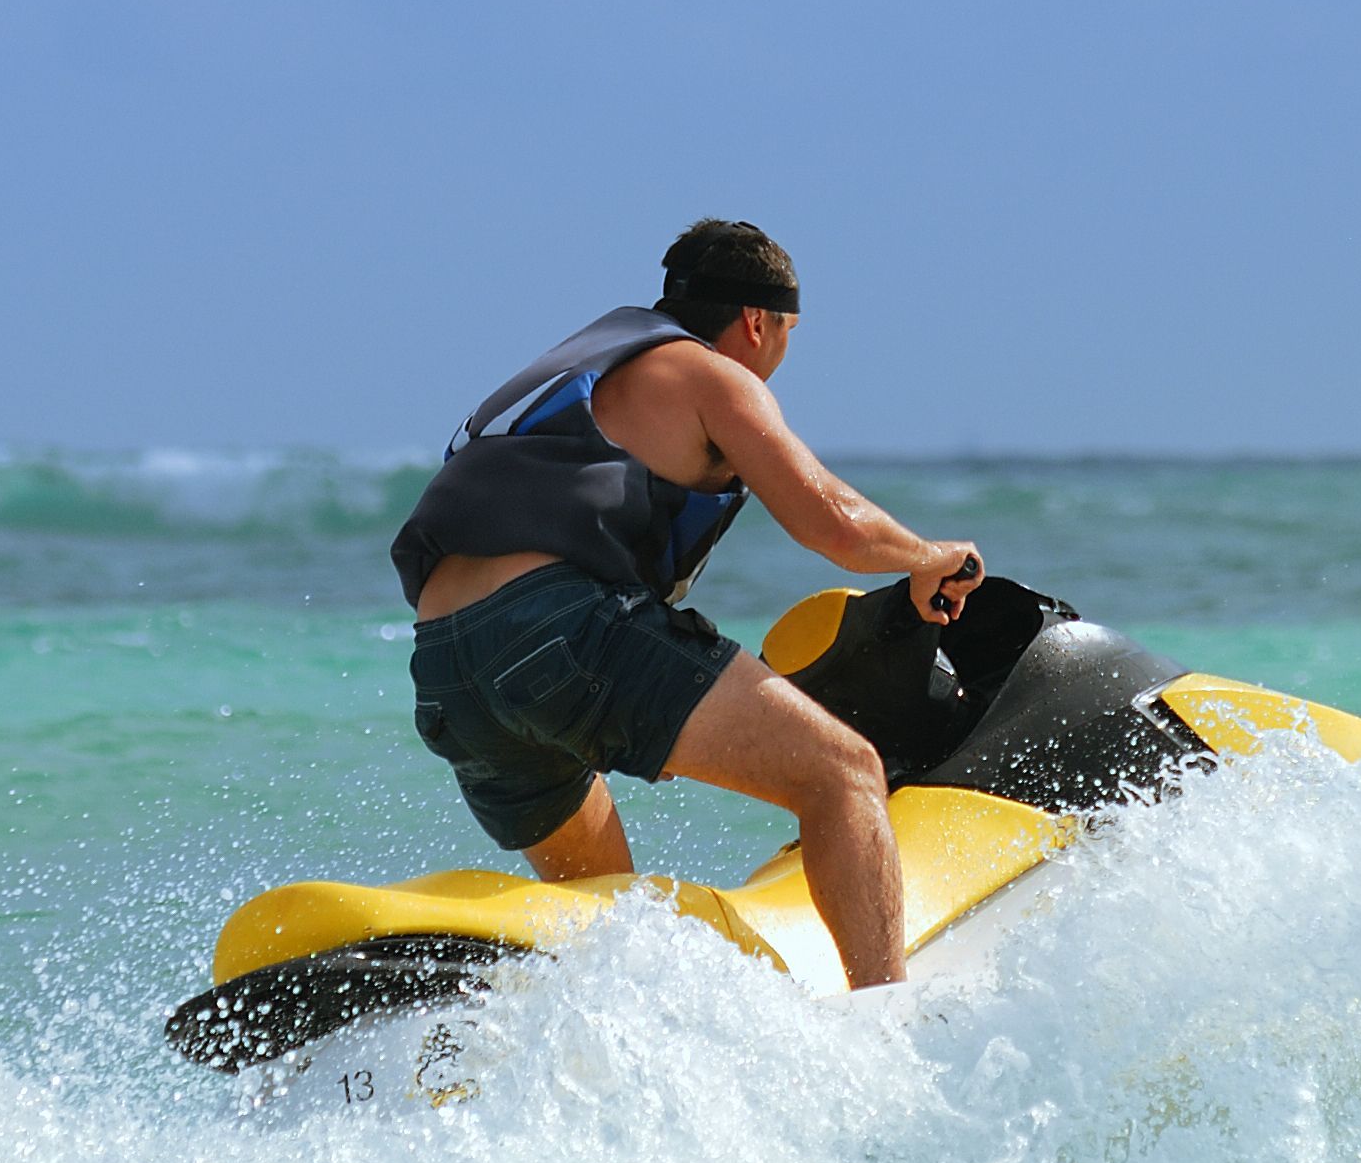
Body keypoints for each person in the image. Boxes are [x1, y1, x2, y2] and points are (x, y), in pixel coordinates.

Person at [390, 219, 985, 988]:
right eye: (790, 331)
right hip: (552, 629)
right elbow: (831, 520)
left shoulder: (594, 364)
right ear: (757, 321)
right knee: (844, 774)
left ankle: (558, 1041)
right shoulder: (711, 376)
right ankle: (889, 1023)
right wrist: (929, 556)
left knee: (597, 913)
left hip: (446, 666)